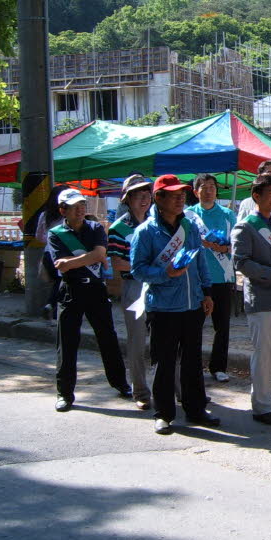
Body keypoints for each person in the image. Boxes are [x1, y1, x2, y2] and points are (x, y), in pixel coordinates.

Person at [130, 174, 219, 435]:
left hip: (193, 305)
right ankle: (164, 413)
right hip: (163, 308)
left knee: (193, 361)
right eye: (174, 194)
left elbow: (200, 261)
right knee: (165, 363)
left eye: (183, 194)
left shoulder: (189, 228)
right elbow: (138, 270)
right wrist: (165, 274)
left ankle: (196, 409)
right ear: (159, 198)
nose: (181, 198)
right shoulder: (145, 232)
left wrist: (207, 292)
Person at [48, 188, 131, 412]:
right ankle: (64, 393)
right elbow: (60, 264)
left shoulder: (94, 228)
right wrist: (88, 258)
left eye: (82, 205)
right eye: (75, 206)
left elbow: (99, 255)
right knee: (66, 343)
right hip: (70, 291)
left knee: (108, 338)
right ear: (63, 210)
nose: (80, 210)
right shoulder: (56, 233)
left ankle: (121, 383)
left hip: (95, 290)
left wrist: (73, 261)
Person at [231, 172, 271, 425]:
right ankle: (261, 406)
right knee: (263, 352)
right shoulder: (244, 227)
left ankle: (268, 395)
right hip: (261, 298)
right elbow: (242, 262)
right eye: (270, 195)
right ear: (256, 196)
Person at [107, 175, 154, 410]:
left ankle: (176, 389)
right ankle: (141, 391)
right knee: (137, 342)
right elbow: (117, 263)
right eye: (138, 194)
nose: (144, 198)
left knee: (167, 338)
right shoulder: (118, 228)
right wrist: (147, 266)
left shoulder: (157, 222)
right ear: (128, 198)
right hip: (135, 287)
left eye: (147, 193)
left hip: (159, 285)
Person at [187, 173, 237, 383]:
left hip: (223, 275)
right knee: (193, 326)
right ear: (196, 191)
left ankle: (218, 367)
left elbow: (238, 243)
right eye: (204, 187)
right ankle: (192, 366)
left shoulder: (227, 214)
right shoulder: (189, 215)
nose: (209, 190)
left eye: (212, 187)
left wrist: (224, 247)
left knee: (222, 326)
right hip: (196, 278)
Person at [36, 184, 67, 320]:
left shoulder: (45, 215)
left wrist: (49, 240)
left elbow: (39, 237)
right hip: (62, 254)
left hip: (48, 254)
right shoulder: (66, 216)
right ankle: (53, 307)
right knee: (63, 282)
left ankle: (51, 305)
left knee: (57, 282)